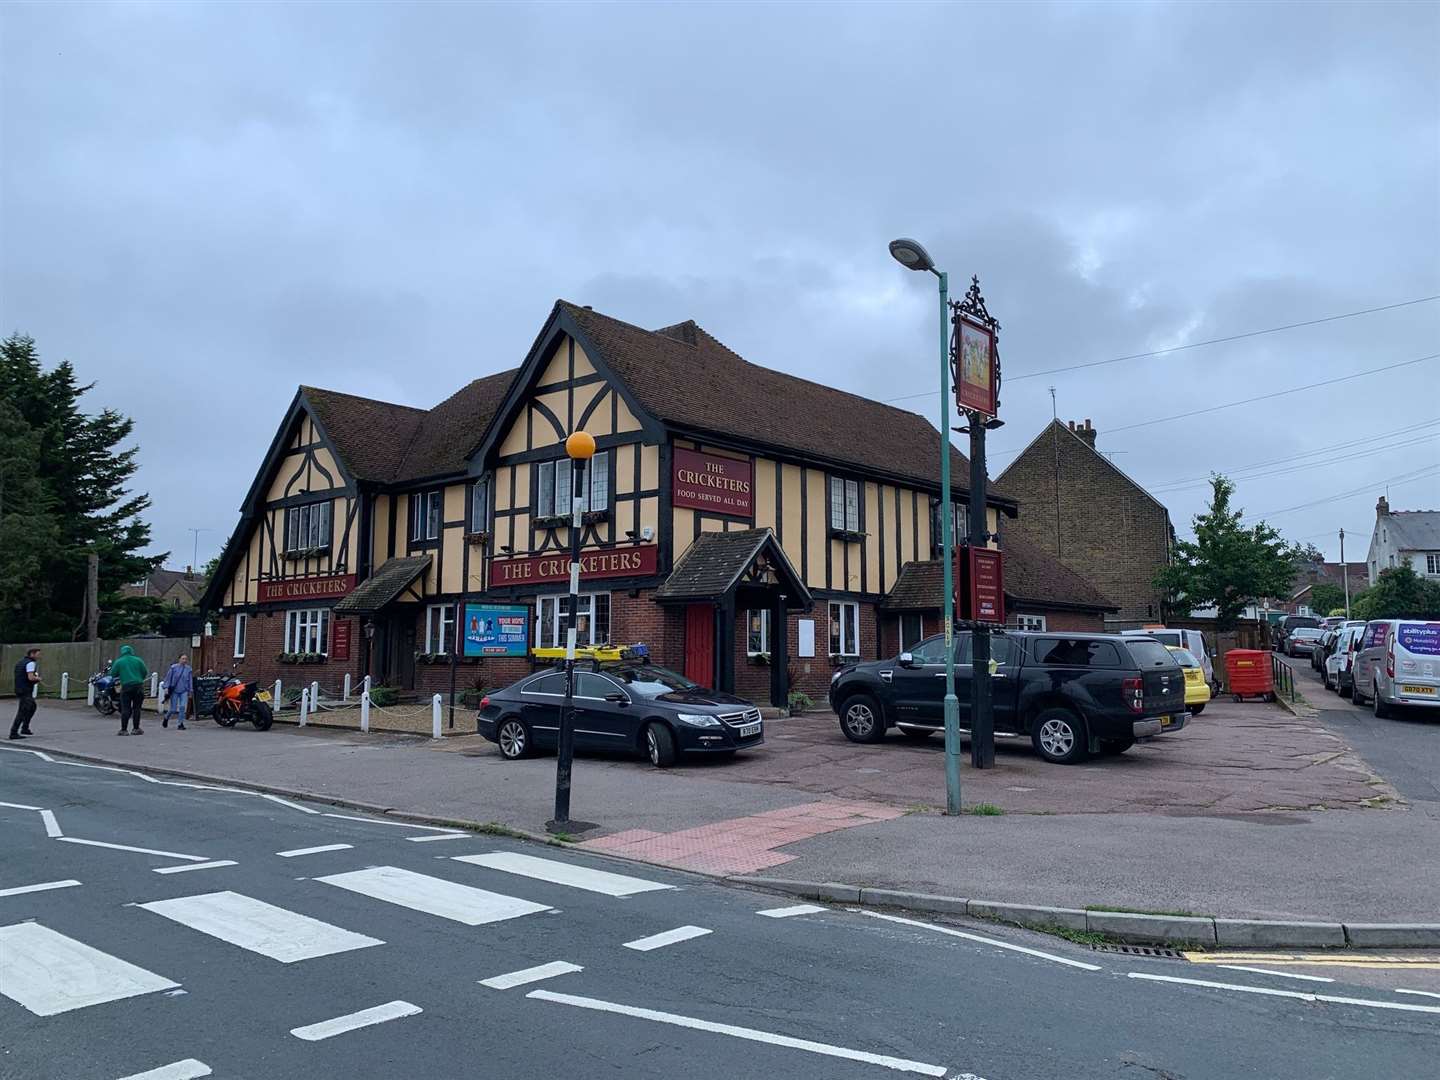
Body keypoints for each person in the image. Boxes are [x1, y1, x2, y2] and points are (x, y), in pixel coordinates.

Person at [109, 645, 149, 736]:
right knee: (137, 708)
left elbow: (113, 674)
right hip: (138, 686)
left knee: (125, 708)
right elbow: (145, 672)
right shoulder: (138, 660)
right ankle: (136, 728)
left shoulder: (119, 661)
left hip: (126, 686)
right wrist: (140, 678)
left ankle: (124, 729)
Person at [10, 648, 41, 740]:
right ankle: (14, 732)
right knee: (23, 711)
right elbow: (30, 677)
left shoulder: (20, 662)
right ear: (32, 654)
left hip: (19, 688)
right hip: (25, 689)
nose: (39, 656)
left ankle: (25, 727)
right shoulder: (31, 663)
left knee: (32, 706)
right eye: (38, 654)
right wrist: (38, 678)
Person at [162, 654, 193, 730]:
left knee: (182, 707)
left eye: (186, 659)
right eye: (183, 659)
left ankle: (180, 723)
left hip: (184, 690)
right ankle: (166, 717)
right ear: (179, 659)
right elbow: (168, 678)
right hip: (175, 690)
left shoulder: (188, 669)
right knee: (173, 709)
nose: (184, 660)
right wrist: (166, 687)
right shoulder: (173, 668)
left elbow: (190, 680)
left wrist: (190, 690)